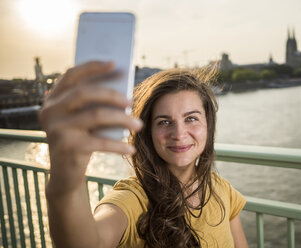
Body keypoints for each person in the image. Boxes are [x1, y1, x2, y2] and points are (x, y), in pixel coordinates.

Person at [39, 61, 249, 248]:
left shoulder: (222, 189)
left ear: (208, 125)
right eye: (164, 122)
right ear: (147, 132)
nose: (179, 134)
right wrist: (65, 185)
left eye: (191, 118)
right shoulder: (132, 199)